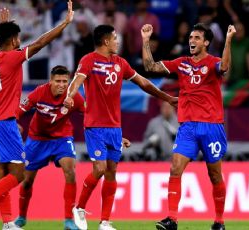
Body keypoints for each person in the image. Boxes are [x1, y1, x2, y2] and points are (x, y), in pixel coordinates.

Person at [0, 2, 74, 230]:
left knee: (0, 174)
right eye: (17, 38)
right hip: (5, 123)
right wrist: (63, 23)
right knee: (17, 174)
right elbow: (41, 42)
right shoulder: (12, 58)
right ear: (14, 40)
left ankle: (7, 223)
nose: (20, 42)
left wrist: (2, 27)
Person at [64, 24, 177, 230]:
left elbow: (144, 83)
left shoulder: (120, 63)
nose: (118, 41)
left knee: (111, 172)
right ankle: (79, 207)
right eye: (115, 38)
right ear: (106, 41)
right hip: (95, 126)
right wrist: (69, 98)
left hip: (114, 128)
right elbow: (76, 82)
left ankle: (104, 221)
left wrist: (167, 97)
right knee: (99, 168)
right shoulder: (88, 60)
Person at [141, 23, 236, 230]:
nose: (191, 41)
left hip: (212, 126)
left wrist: (228, 40)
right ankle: (172, 219)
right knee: (175, 168)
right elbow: (150, 67)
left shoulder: (213, 63)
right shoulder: (181, 63)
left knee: (215, 174)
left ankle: (219, 221)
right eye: (191, 38)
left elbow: (226, 67)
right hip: (188, 127)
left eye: (196, 38)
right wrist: (146, 41)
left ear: (206, 42)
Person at [13, 65, 84, 229]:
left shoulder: (73, 96)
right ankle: (21, 217)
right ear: (50, 81)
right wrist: (14, 122)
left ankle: (68, 220)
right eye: (58, 81)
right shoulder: (39, 92)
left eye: (65, 81)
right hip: (37, 139)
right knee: (27, 181)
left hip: (62, 138)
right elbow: (19, 109)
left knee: (70, 171)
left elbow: (91, 113)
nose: (61, 84)